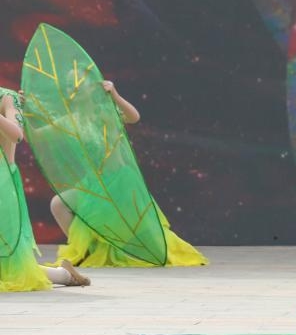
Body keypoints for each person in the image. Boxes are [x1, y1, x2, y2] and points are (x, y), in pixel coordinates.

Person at [48, 80, 208, 268]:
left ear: (90, 87)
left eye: (77, 83)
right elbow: (38, 135)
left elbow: (134, 117)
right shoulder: (70, 119)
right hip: (93, 183)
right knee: (58, 204)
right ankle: (86, 251)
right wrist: (21, 110)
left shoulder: (104, 111)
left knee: (134, 228)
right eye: (69, 85)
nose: (72, 88)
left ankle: (150, 251)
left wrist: (114, 94)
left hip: (119, 180)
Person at [0, 86, 91, 291]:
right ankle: (64, 274)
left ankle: (64, 275)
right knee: (8, 269)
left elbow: (16, 135)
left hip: (2, 185)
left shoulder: (7, 97)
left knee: (9, 267)